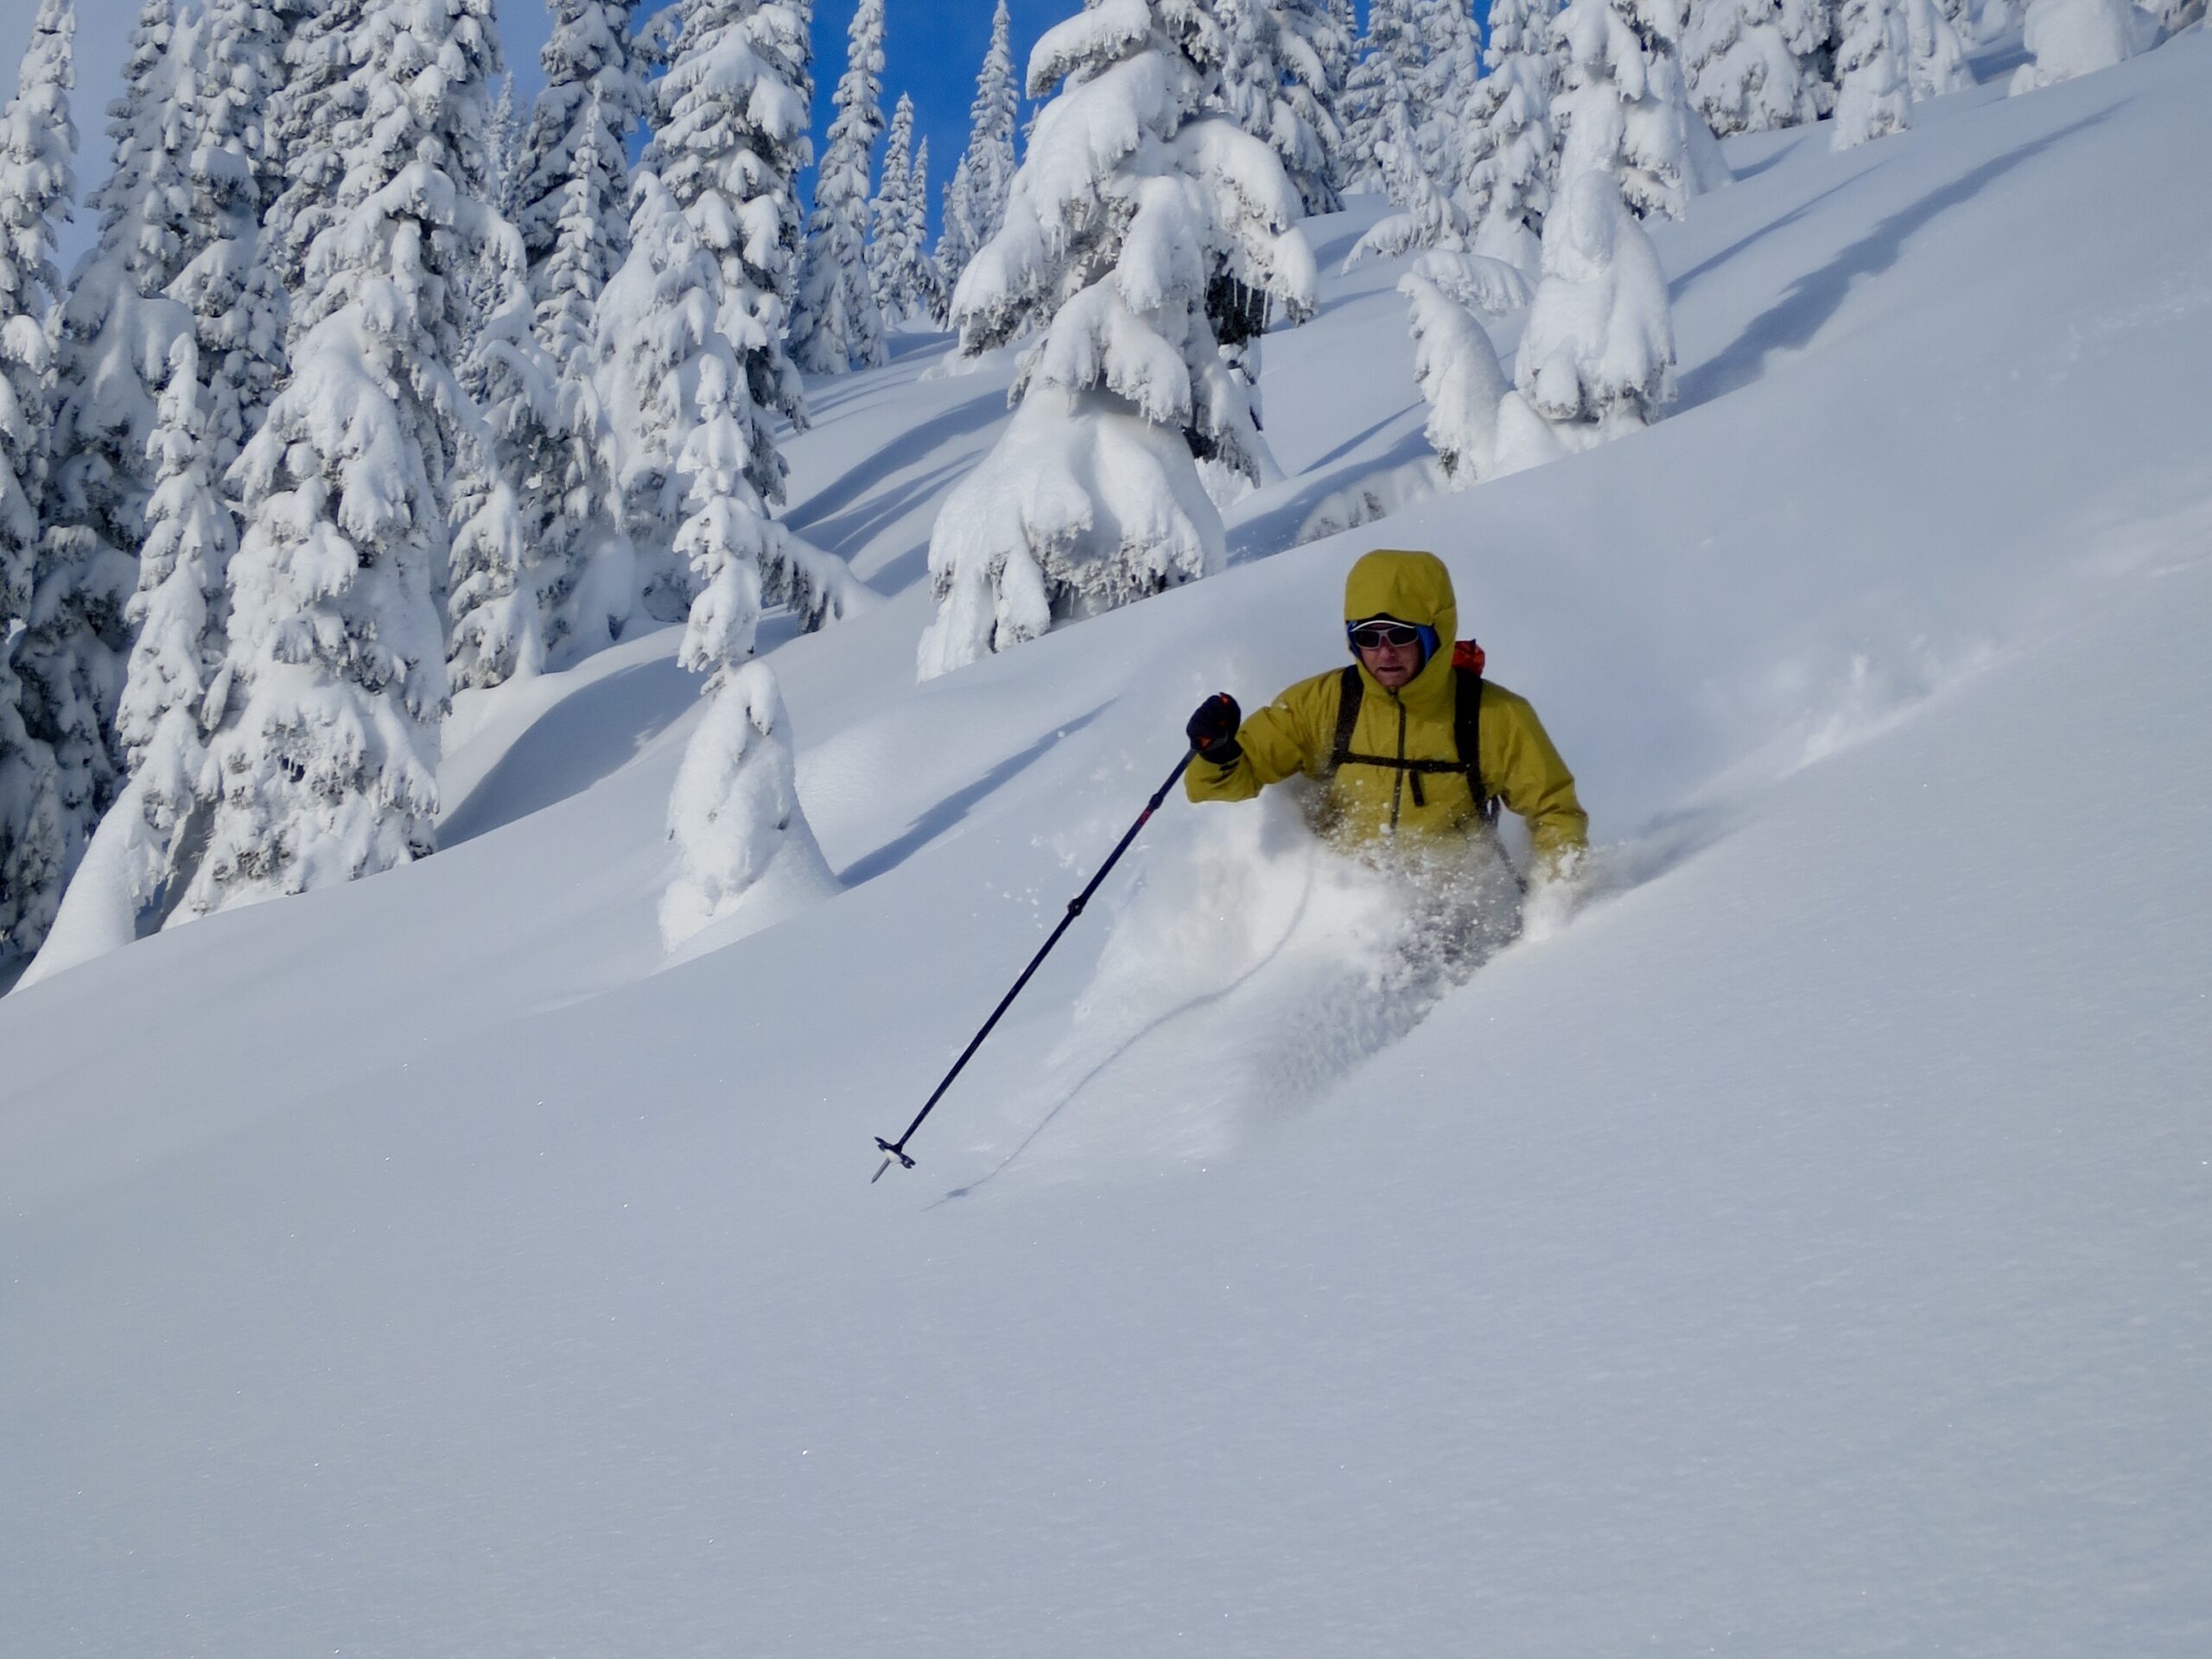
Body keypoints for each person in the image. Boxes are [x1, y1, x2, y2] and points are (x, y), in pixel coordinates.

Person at [1182, 548, 1587, 901]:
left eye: (1400, 634)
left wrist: (1553, 900)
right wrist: (1216, 752)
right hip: (1343, 912)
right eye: (1369, 637)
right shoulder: (1326, 704)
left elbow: (1555, 812)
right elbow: (1230, 779)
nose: (1385, 652)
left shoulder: (1494, 716)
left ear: (1435, 635)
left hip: (1455, 910)